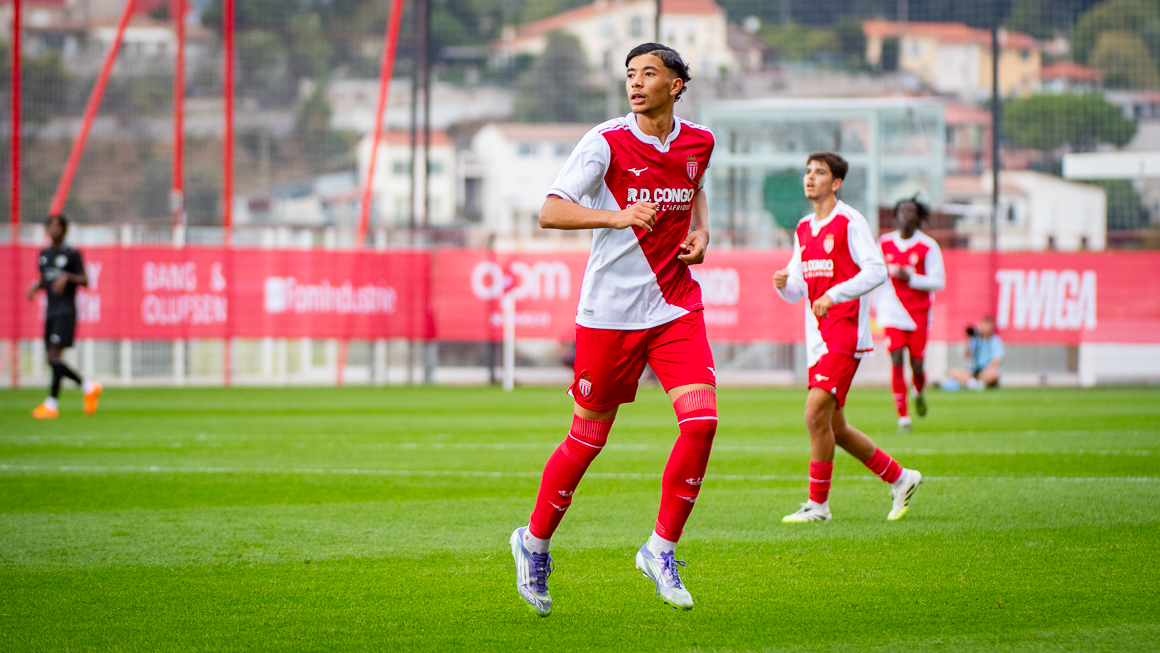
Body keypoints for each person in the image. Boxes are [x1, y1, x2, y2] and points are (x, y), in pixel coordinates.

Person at [509, 43, 717, 616]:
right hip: (609, 315)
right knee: (588, 440)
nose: (636, 82)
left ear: (676, 85)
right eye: (630, 74)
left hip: (675, 306)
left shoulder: (701, 141)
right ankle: (533, 543)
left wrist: (701, 234)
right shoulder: (605, 141)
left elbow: (694, 190)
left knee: (701, 422)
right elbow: (551, 210)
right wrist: (615, 215)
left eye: (649, 73)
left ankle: (660, 549)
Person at [772, 153, 923, 524]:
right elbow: (797, 290)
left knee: (813, 414)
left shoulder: (850, 221)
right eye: (808, 172)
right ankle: (901, 478)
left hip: (844, 331)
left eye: (819, 172)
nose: (810, 178)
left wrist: (835, 294)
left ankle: (818, 506)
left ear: (835, 183)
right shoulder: (804, 227)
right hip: (818, 337)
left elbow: (877, 270)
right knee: (833, 427)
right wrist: (784, 284)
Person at [874, 196, 945, 432]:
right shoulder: (883, 243)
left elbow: (939, 281)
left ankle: (919, 391)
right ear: (895, 215)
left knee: (916, 364)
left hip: (918, 313)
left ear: (918, 216)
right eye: (902, 210)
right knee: (896, 360)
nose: (906, 214)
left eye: (911, 211)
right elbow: (873, 274)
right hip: (892, 311)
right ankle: (903, 418)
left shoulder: (928, 246)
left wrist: (911, 278)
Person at [27, 214, 102, 418]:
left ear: (64, 230)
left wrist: (67, 277)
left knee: (54, 358)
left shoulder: (72, 254)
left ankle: (60, 399)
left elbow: (85, 280)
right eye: (50, 226)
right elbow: (46, 280)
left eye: (57, 226)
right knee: (54, 360)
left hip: (66, 312)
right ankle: (79, 391)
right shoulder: (43, 255)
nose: (53, 230)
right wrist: (37, 286)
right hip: (50, 312)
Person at [946, 316, 1003, 389]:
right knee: (953, 372)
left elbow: (997, 360)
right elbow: (967, 355)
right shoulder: (976, 339)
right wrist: (968, 338)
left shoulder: (996, 340)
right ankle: (975, 384)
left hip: (987, 371)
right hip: (975, 370)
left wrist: (985, 370)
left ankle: (977, 383)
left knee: (995, 374)